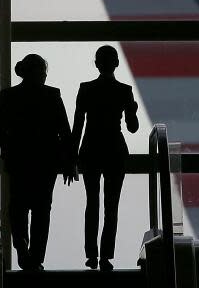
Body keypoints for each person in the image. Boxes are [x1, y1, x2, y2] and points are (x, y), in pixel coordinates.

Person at [0, 54, 76, 271]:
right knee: (41, 209)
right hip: (47, 161)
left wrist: (8, 148)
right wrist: (68, 162)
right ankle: (36, 258)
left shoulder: (10, 95)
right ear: (37, 72)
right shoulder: (52, 95)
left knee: (18, 207)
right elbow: (65, 132)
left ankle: (23, 248)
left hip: (19, 160)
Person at [73, 45, 139, 271]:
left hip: (90, 149)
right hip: (114, 151)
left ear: (96, 63)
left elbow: (78, 127)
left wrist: (72, 157)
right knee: (112, 207)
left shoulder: (85, 89)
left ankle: (91, 255)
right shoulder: (124, 90)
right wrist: (133, 110)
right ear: (117, 64)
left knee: (92, 204)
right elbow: (132, 128)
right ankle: (105, 257)